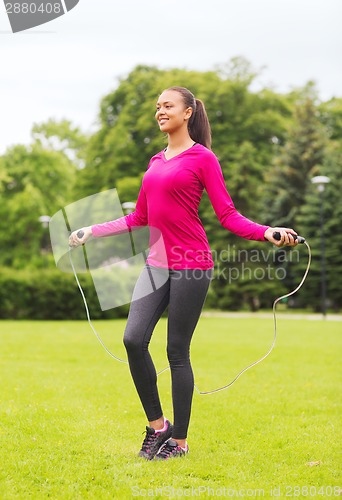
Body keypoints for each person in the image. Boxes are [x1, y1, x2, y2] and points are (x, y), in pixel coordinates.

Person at [69, 86, 298, 460]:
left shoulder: (203, 158)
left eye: (168, 106)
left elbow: (228, 215)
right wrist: (92, 230)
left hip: (192, 263)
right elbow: (139, 217)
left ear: (188, 112)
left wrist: (267, 232)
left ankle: (179, 442)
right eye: (157, 106)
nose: (160, 111)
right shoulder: (155, 162)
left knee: (176, 350)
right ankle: (158, 426)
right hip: (156, 263)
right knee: (132, 339)